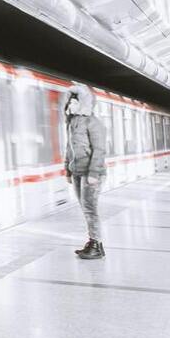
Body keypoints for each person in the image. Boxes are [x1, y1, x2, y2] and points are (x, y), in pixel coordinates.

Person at [64, 86, 108, 259]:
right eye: (70, 101)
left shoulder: (93, 122)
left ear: (83, 103)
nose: (71, 104)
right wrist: (67, 169)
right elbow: (69, 149)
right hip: (77, 172)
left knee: (90, 209)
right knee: (86, 209)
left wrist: (94, 174)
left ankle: (96, 245)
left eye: (75, 101)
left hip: (91, 173)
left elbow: (99, 150)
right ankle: (94, 242)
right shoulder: (72, 123)